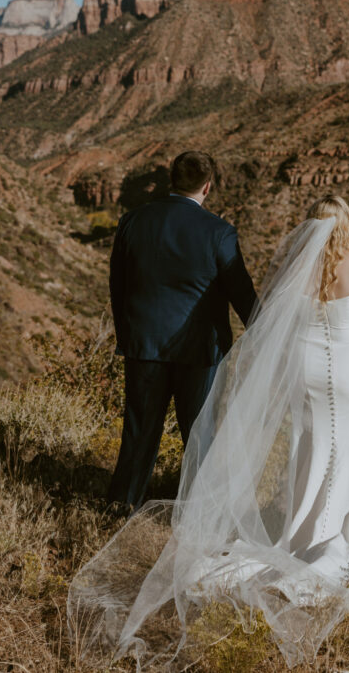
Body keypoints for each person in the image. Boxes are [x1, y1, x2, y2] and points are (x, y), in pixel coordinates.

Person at [70, 193, 349, 673]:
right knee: (345, 444)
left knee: (309, 443)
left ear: (312, 228)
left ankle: (302, 527)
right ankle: (336, 530)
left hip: (306, 368)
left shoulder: (297, 267)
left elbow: (270, 318)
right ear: (346, 226)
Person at [106, 150, 257, 511]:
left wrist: (127, 335)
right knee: (199, 433)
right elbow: (242, 294)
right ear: (208, 186)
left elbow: (118, 285)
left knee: (139, 431)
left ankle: (122, 504)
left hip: (144, 345)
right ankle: (202, 510)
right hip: (200, 350)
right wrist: (265, 331)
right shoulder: (219, 232)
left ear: (171, 181)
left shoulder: (133, 221)